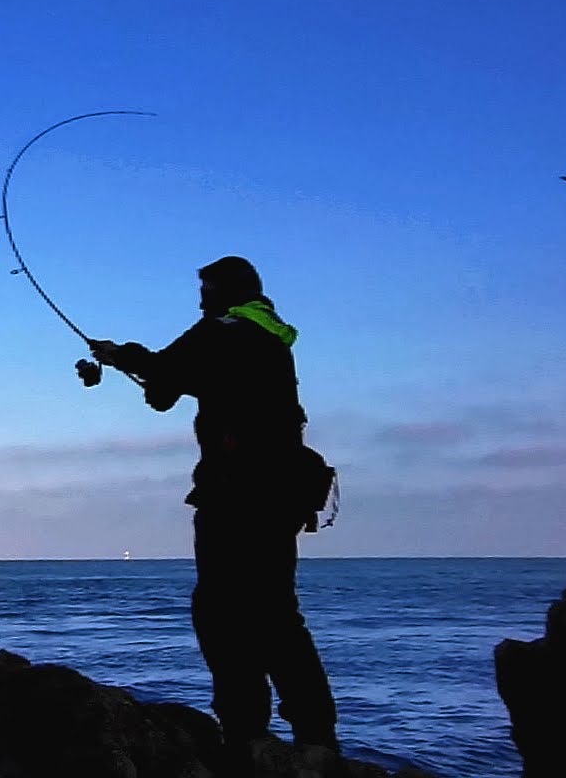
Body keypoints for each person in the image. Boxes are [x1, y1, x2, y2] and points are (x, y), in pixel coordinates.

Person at [89, 256, 339, 769]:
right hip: (281, 495)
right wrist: (137, 365)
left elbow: (163, 379)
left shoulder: (223, 330)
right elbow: (174, 383)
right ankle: (314, 737)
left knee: (224, 612)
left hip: (237, 494)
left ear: (224, 292)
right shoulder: (267, 338)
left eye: (205, 290)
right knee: (275, 611)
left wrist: (118, 356)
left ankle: (246, 732)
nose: (200, 300)